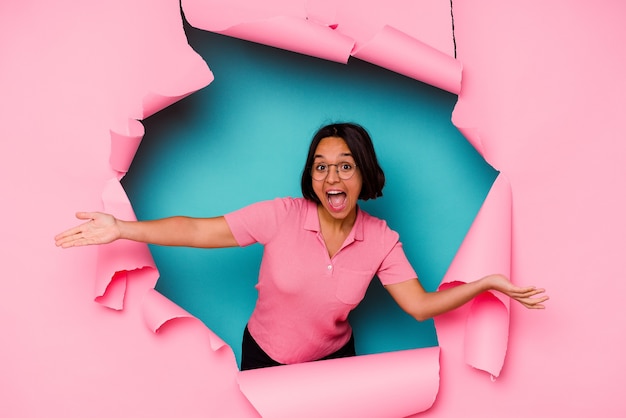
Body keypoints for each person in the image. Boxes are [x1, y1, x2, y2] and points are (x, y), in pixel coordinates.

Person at [55, 122, 548, 370]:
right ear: (311, 176)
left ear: (364, 174)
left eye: (345, 164)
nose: (331, 175)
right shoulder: (281, 215)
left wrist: (484, 283)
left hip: (335, 361)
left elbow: (420, 307)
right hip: (265, 356)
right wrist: (122, 228)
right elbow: (198, 230)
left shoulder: (382, 240)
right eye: (320, 165)